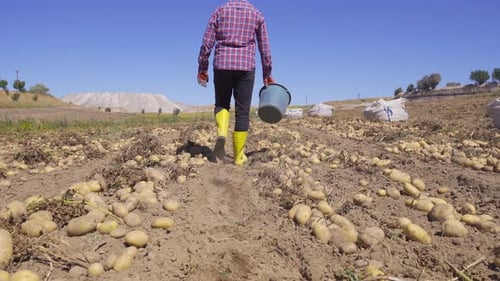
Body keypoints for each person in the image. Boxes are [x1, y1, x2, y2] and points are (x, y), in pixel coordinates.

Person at [197, 0, 275, 165]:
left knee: (222, 104)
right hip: (246, 67)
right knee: (243, 112)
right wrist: (267, 73)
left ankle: (222, 134)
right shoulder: (257, 14)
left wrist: (202, 68)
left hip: (222, 64)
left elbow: (206, 43)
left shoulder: (220, 11)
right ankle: (239, 157)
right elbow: (265, 48)